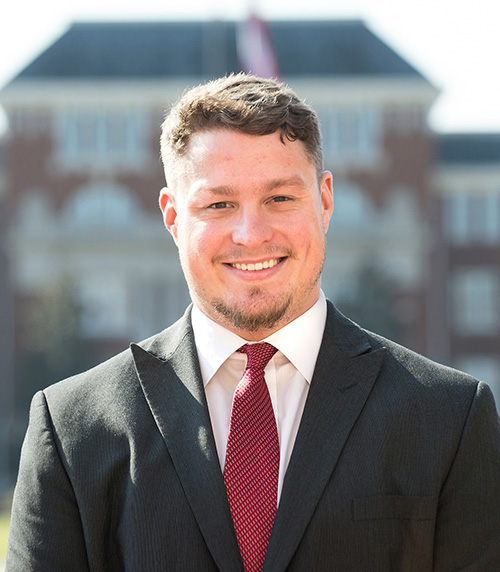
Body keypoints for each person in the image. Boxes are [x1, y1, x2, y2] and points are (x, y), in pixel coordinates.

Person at [6, 73, 500, 572]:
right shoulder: (72, 430)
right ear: (173, 217)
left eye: (280, 198)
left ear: (325, 201)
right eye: (219, 204)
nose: (251, 234)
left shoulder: (450, 420)